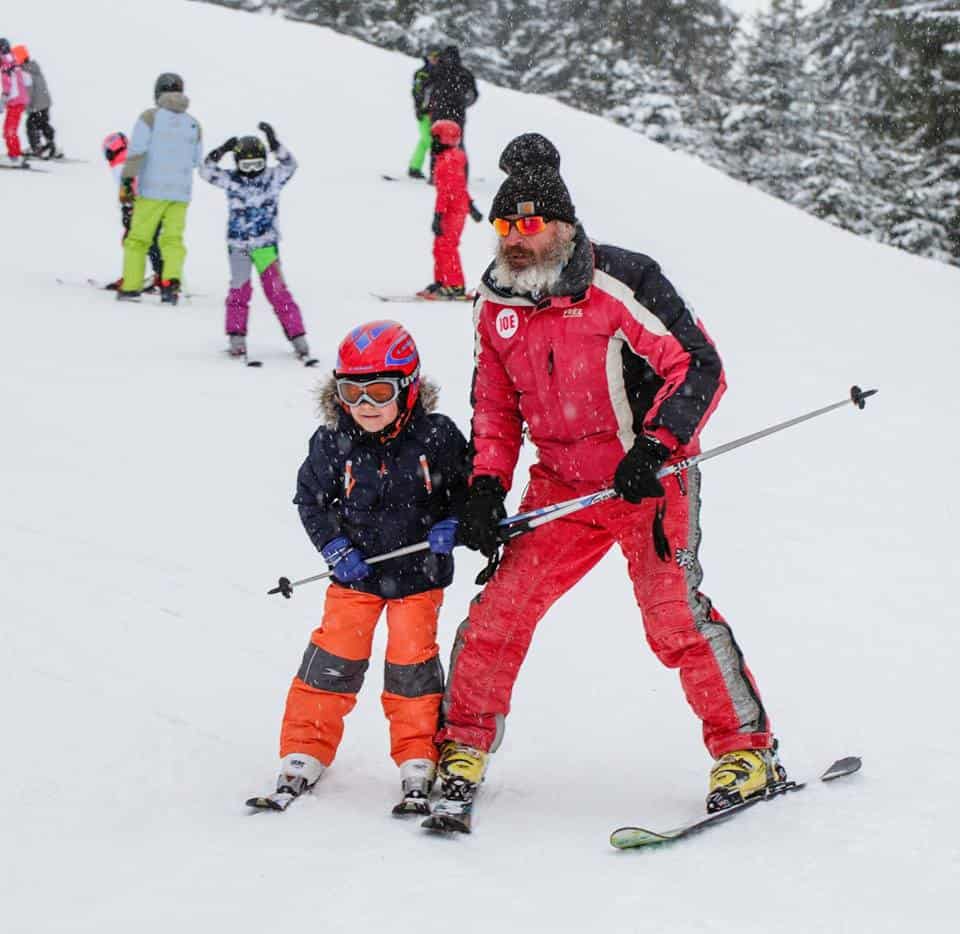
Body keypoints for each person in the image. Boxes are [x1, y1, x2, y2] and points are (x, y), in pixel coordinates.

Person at [430, 133, 783, 830]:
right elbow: (494, 408)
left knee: (673, 618)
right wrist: (482, 488)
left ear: (564, 226)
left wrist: (654, 446)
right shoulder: (496, 301)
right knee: (501, 613)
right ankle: (463, 747)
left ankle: (746, 751)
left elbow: (699, 366)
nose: (516, 239)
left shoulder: (620, 281)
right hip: (562, 486)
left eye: (531, 225)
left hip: (648, 482)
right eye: (505, 225)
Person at [267, 321, 469, 814]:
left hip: (417, 578)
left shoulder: (437, 436)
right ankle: (305, 748)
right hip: (355, 577)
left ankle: (417, 754)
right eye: (350, 391)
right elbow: (310, 501)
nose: (365, 404)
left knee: (411, 665)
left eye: (379, 391)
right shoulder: (333, 440)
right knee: (332, 659)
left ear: (409, 387)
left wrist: (454, 524)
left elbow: (468, 492)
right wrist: (335, 549)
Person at [198, 123, 312, 361]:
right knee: (239, 292)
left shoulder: (272, 178)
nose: (251, 171)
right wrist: (221, 150)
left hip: (266, 246)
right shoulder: (232, 180)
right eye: (245, 166)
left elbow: (291, 165)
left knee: (277, 292)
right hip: (238, 246)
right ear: (237, 164)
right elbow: (205, 170)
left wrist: (275, 144)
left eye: (257, 165)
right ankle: (237, 338)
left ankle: (298, 337)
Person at [117, 72, 202, 305]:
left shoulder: (150, 117)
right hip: (181, 193)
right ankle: (170, 284)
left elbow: (137, 151)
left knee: (138, 239)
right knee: (173, 240)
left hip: (152, 189)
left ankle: (131, 287)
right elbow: (197, 159)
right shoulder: (194, 123)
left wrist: (127, 181)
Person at [416, 120, 481, 301]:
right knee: (440, 246)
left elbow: (446, 192)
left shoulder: (448, 161)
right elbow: (459, 186)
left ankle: (454, 285)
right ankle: (442, 281)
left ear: (443, 139)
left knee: (447, 246)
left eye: (435, 137)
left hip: (452, 210)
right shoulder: (450, 157)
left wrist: (438, 216)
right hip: (455, 207)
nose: (432, 141)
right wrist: (471, 206)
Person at [103, 132, 162, 292]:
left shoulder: (121, 163)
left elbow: (128, 187)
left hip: (139, 207)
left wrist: (128, 210)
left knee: (133, 243)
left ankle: (131, 278)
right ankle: (162, 276)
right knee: (153, 242)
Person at [422, 46, 477, 176]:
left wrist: (429, 106)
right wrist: (463, 104)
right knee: (458, 143)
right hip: (457, 114)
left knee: (437, 143)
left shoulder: (436, 70)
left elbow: (425, 89)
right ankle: (462, 175)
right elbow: (473, 94)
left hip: (438, 113)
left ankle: (435, 175)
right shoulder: (464, 73)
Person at [12, 45, 59, 159]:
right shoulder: (33, 67)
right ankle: (51, 145)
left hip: (36, 106)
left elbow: (29, 91)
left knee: (31, 126)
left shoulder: (25, 72)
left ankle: (37, 149)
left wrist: (25, 106)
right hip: (44, 103)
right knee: (43, 124)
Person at [407, 49, 438, 180]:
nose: (434, 59)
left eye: (436, 56)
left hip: (434, 112)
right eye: (432, 56)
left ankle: (414, 167)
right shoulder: (422, 73)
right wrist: (419, 108)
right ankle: (431, 170)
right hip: (425, 112)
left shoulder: (438, 72)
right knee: (428, 141)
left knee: (424, 142)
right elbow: (416, 92)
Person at [0, 38, 29, 167]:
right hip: (16, 101)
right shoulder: (12, 61)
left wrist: (4, 99)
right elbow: (26, 81)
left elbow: (9, 85)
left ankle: (15, 156)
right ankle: (15, 154)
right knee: (8, 130)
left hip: (15, 102)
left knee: (9, 131)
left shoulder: (7, 64)